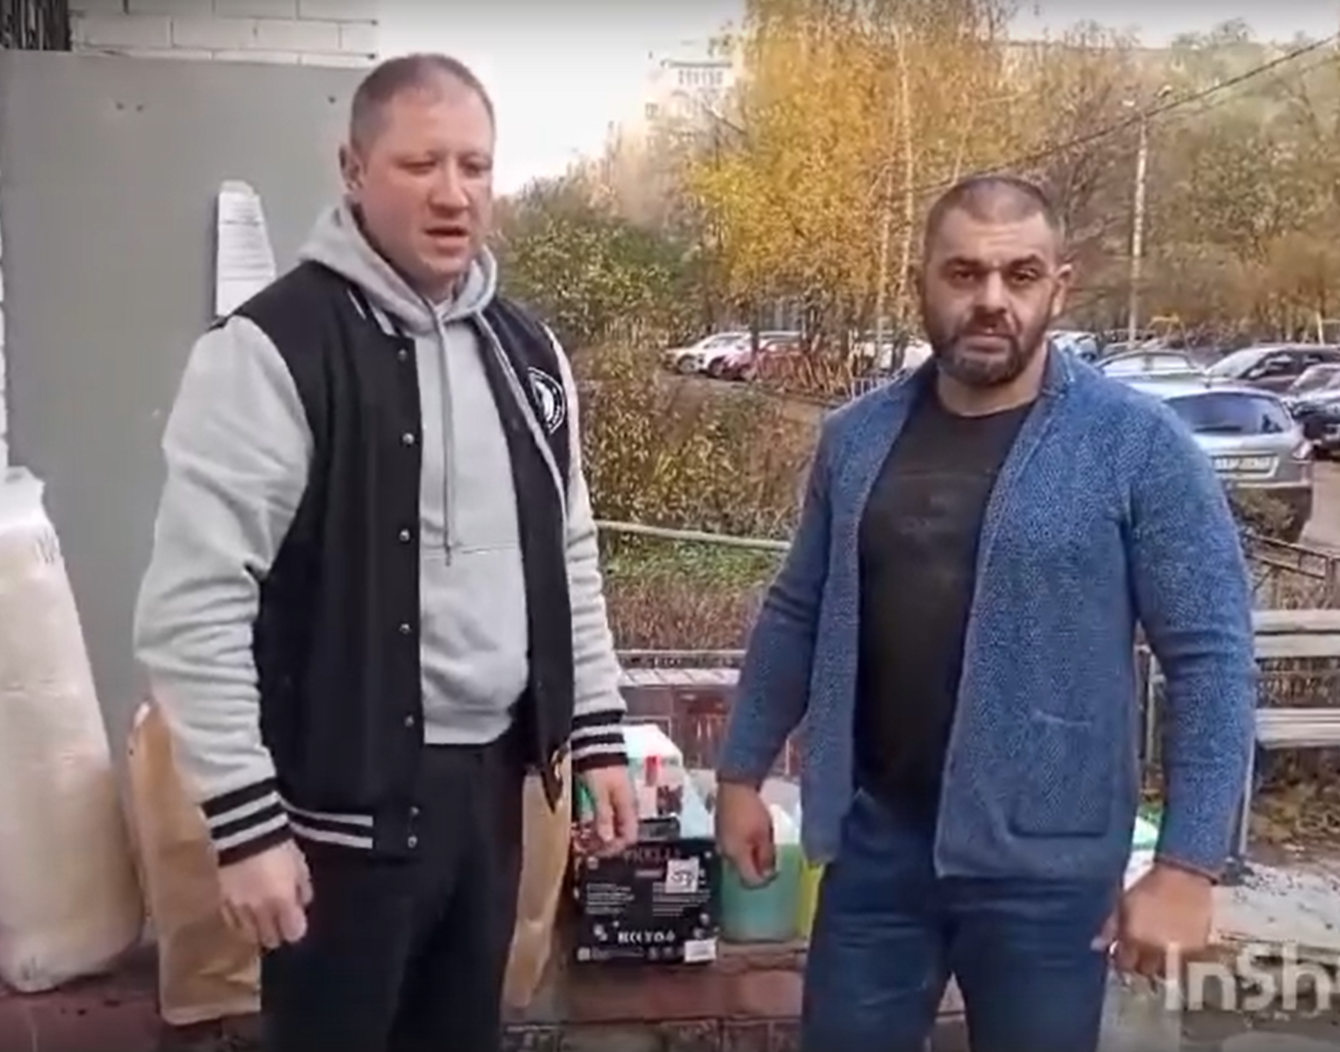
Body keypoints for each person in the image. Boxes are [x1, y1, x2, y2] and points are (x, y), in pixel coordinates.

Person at [134, 53, 637, 1052]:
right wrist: (244, 823)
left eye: (474, 165)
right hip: (335, 828)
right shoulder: (270, 351)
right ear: (352, 169)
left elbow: (568, 553)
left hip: (489, 804)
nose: (453, 194)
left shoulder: (530, 357)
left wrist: (598, 732)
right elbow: (194, 605)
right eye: (420, 164)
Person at [714, 175, 1256, 1052]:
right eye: (964, 273)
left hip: (1049, 871)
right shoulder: (856, 439)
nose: (993, 299)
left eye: (1021, 274)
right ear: (922, 283)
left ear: (1059, 287)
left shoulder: (1137, 445)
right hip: (877, 849)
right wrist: (741, 773)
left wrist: (1189, 864)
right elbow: (797, 610)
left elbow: (1212, 658)